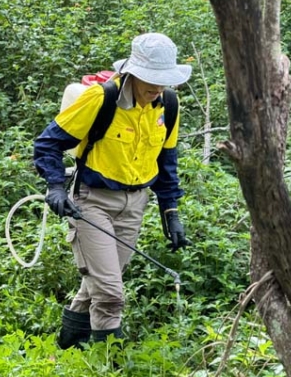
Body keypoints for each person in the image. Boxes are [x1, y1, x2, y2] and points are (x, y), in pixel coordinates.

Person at [32, 32, 193, 348]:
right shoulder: (101, 99)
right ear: (133, 72)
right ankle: (110, 368)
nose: (157, 89)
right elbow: (48, 143)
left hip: (134, 206)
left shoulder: (168, 106)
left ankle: (68, 347)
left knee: (98, 283)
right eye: (150, 81)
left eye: (163, 82)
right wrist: (55, 187)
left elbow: (167, 164)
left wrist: (170, 213)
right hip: (92, 202)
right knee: (110, 292)